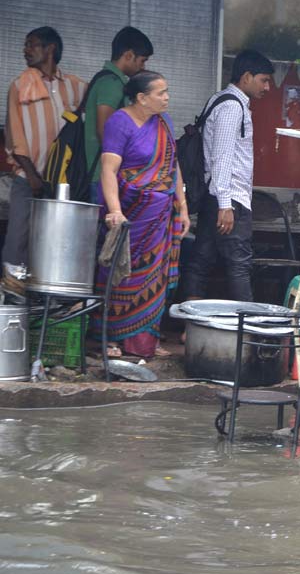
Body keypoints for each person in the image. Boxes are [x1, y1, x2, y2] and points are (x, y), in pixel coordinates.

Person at [91, 71, 189, 359]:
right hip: (130, 212)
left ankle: (146, 340)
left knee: (154, 276)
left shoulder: (164, 123)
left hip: (160, 215)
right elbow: (109, 170)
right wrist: (115, 211)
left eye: (167, 91)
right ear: (141, 98)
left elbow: (173, 167)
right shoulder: (119, 122)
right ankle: (110, 338)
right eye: (161, 93)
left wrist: (182, 206)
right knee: (118, 272)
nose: (167, 97)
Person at [180, 49, 274, 303]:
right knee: (239, 264)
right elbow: (222, 157)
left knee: (202, 259)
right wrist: (226, 205)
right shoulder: (232, 107)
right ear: (246, 77)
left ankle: (191, 324)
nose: (267, 87)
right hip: (228, 198)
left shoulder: (220, 100)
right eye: (263, 80)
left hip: (219, 196)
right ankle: (244, 330)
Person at [3, 27, 85, 290]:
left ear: (50, 49)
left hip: (62, 182)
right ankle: (12, 300)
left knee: (55, 243)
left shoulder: (75, 87)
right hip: (28, 178)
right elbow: (15, 138)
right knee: (18, 239)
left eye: (32, 44)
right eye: (26, 44)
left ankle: (47, 302)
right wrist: (34, 176)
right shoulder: (19, 85)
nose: (25, 49)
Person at [84, 26, 153, 187]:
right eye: (142, 61)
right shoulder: (112, 83)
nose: (142, 67)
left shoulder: (107, 80)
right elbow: (105, 131)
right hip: (102, 175)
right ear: (129, 55)